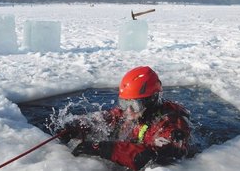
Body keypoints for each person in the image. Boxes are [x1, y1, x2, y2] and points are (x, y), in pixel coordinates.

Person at [58, 66, 191, 171]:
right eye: (124, 103)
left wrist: (103, 148)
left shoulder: (171, 124)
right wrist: (76, 126)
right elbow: (106, 118)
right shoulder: (135, 112)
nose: (128, 110)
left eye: (133, 104)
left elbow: (158, 155)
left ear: (152, 100)